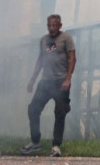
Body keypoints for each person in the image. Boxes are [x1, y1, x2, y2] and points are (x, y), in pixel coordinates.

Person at [23, 14, 75, 157]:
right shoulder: (44, 40)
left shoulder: (66, 38)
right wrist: (33, 79)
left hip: (60, 81)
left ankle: (56, 146)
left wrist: (68, 78)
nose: (51, 28)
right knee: (33, 109)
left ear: (60, 25)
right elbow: (40, 60)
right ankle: (35, 142)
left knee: (60, 113)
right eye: (49, 25)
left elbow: (72, 58)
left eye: (54, 25)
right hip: (45, 82)